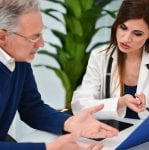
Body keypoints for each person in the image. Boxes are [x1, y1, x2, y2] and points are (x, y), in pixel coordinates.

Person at [0, 0, 119, 150]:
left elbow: (32, 108)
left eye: (41, 35)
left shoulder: (19, 62)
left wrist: (69, 123)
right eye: (34, 37)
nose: (42, 44)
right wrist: (49, 148)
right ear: (2, 37)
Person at [71, 0, 149, 121]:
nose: (126, 38)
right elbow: (79, 105)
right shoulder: (100, 57)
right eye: (123, 28)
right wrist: (119, 102)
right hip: (111, 135)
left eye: (137, 34)